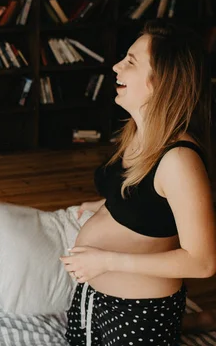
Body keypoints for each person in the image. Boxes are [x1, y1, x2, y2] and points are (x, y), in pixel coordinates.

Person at [60, 20, 215, 346]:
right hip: (94, 297)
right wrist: (105, 206)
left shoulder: (180, 161)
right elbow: (142, 198)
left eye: (130, 61)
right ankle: (193, 323)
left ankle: (189, 323)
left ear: (162, 82)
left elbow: (202, 261)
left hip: (138, 314)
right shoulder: (137, 132)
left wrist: (105, 260)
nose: (116, 66)